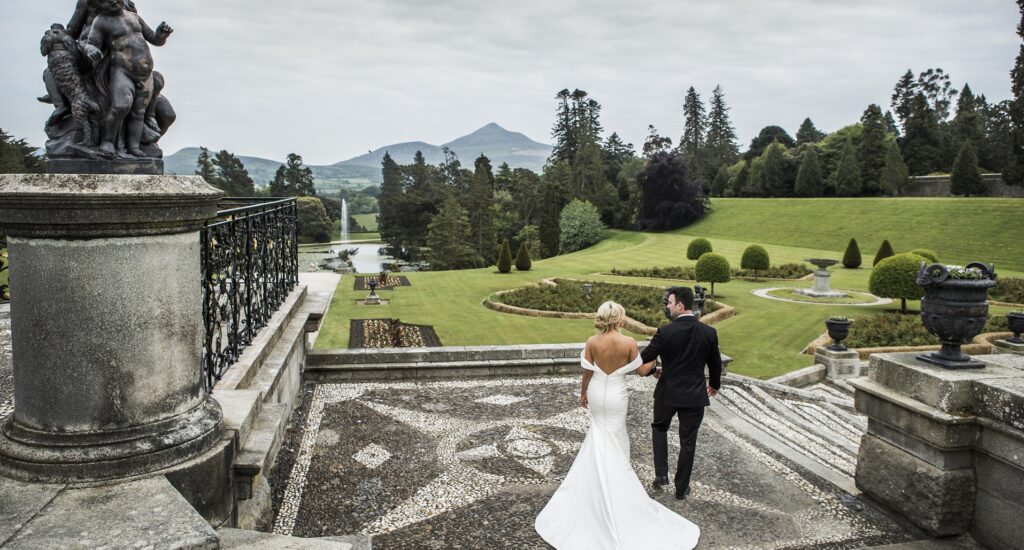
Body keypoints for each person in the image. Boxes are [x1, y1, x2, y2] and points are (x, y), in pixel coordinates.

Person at [535, 301, 700, 550]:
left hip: (598, 392)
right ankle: (617, 487)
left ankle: (595, 489)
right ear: (620, 319)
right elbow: (642, 369)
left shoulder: (592, 342)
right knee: (615, 435)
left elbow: (587, 373)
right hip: (616, 395)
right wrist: (656, 368)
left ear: (601, 318)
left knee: (599, 433)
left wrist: (583, 395)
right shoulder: (629, 343)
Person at [640, 286, 722, 500]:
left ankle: (661, 475)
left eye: (670, 303)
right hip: (695, 395)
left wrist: (652, 371)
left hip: (667, 392)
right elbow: (715, 364)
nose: (667, 306)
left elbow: (645, 356)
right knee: (688, 442)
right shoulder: (709, 332)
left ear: (680, 305)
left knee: (659, 428)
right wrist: (714, 385)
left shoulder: (665, 332)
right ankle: (681, 488)